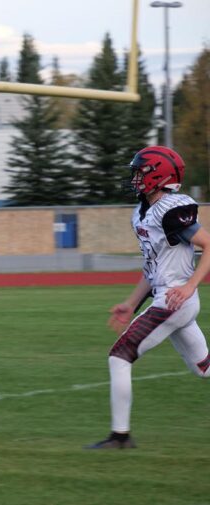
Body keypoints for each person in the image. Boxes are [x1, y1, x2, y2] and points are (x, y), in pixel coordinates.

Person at [88, 146, 210, 449]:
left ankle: (120, 436)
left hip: (174, 300)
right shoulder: (144, 212)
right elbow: (152, 269)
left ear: (159, 175)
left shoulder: (170, 210)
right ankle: (120, 436)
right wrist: (131, 303)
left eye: (140, 171)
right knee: (204, 368)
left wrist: (190, 286)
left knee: (119, 356)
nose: (135, 177)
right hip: (168, 296)